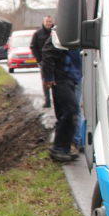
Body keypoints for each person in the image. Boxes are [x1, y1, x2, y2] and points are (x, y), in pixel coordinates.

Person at [41, 32, 81, 162]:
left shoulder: (70, 32)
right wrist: (48, 77)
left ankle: (63, 149)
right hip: (61, 78)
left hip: (70, 78)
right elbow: (47, 54)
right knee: (71, 112)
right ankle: (58, 148)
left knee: (65, 113)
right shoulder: (61, 33)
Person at [30, 15, 54, 108]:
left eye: (50, 21)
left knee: (56, 82)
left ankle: (57, 101)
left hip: (55, 61)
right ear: (44, 22)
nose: (48, 23)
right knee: (45, 81)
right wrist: (39, 59)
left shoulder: (56, 32)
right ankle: (47, 101)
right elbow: (33, 47)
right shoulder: (38, 33)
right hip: (43, 61)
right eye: (47, 21)